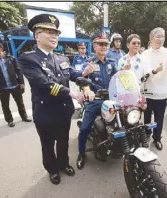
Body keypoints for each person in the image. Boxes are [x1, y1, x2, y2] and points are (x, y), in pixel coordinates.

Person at [18, 14, 94, 185]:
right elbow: (43, 83)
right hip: (45, 112)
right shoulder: (28, 59)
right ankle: (52, 170)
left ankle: (63, 163)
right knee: (47, 144)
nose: (54, 36)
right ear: (37, 35)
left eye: (56, 33)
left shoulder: (62, 58)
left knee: (63, 140)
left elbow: (73, 74)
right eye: (49, 32)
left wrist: (85, 77)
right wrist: (72, 93)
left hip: (63, 110)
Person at [76, 32, 118, 170]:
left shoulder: (112, 63)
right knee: (84, 129)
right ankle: (81, 153)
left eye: (106, 44)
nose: (104, 46)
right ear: (94, 46)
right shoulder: (89, 62)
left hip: (112, 99)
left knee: (128, 120)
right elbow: (82, 80)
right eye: (101, 44)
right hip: (96, 100)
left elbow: (120, 79)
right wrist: (88, 90)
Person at [140, 27, 167, 150]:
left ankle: (157, 138)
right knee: (147, 117)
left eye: (163, 36)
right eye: (158, 36)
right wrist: (154, 70)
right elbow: (144, 72)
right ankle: (146, 135)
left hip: (161, 92)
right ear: (151, 38)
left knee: (159, 118)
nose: (161, 39)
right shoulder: (144, 54)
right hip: (148, 91)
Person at [0, 41, 32, 127]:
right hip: (2, 88)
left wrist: (21, 82)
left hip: (15, 85)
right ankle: (9, 120)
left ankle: (24, 116)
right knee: (5, 105)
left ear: (0, 48)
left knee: (20, 102)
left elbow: (18, 71)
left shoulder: (11, 58)